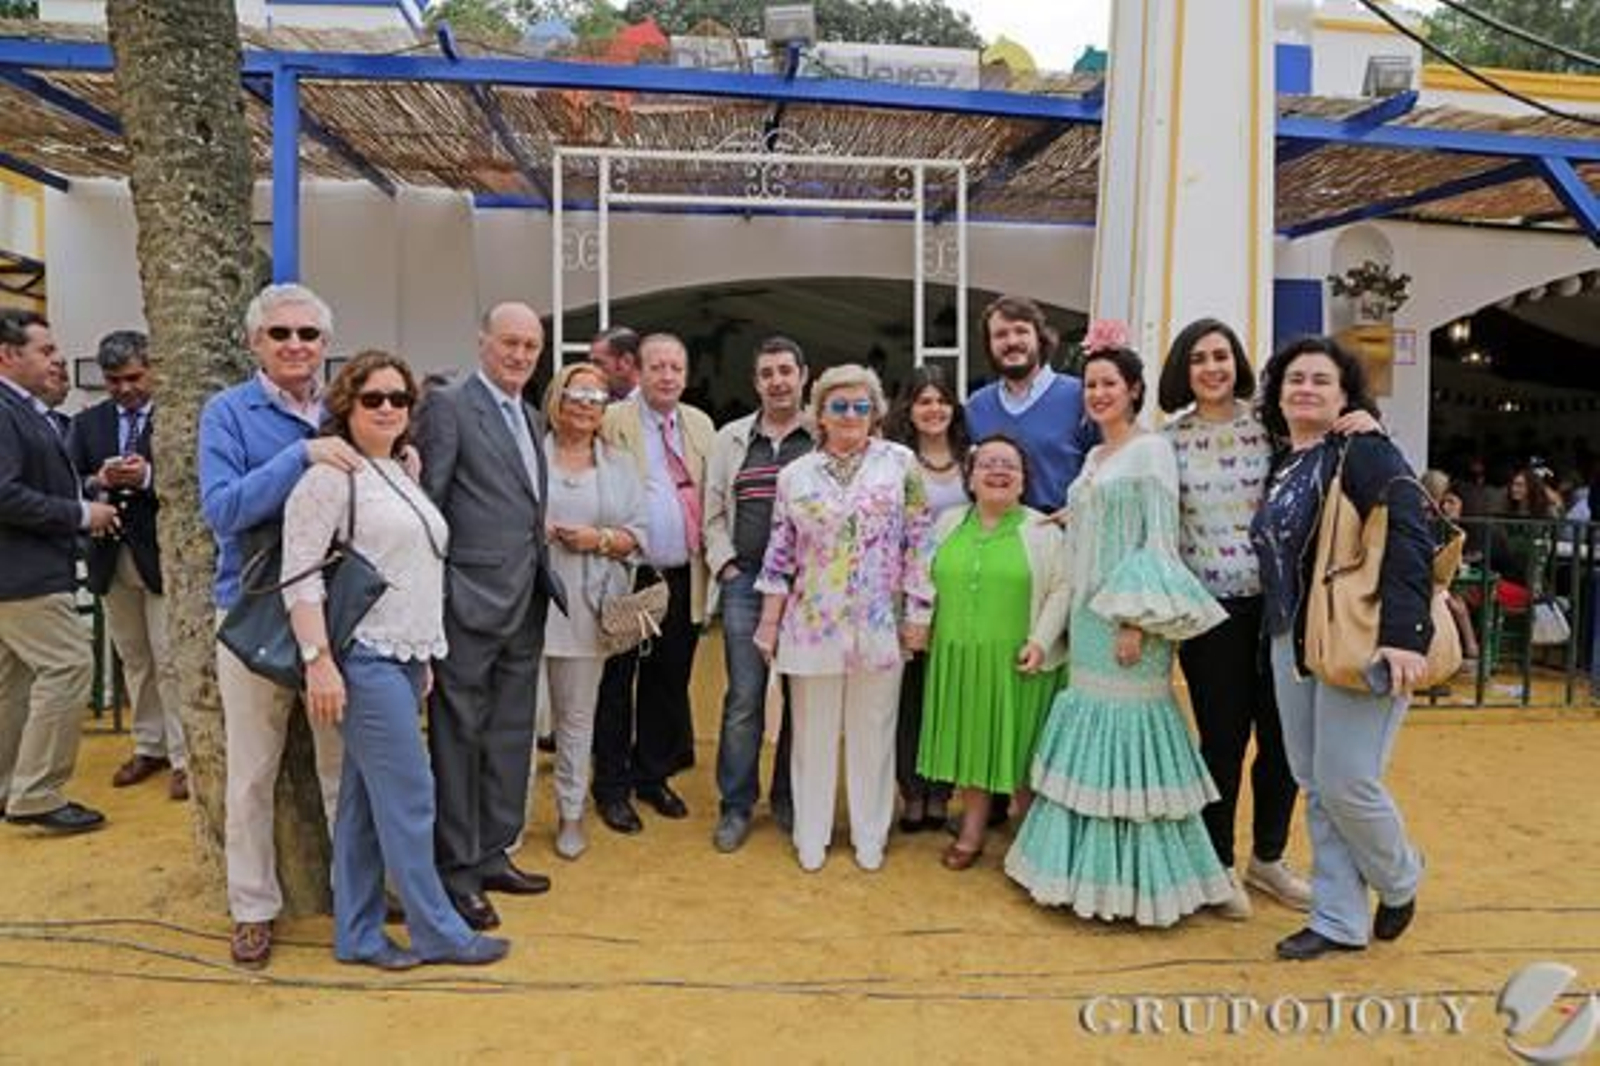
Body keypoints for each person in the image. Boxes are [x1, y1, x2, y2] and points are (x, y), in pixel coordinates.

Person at [283, 351, 508, 970]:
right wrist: (317, 660)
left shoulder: (400, 470)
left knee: (361, 804)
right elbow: (299, 576)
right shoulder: (330, 476)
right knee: (411, 798)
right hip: (363, 659)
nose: (387, 408)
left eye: (399, 399)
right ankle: (439, 931)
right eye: (373, 398)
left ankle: (357, 933)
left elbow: (416, 569)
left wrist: (426, 652)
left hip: (408, 658)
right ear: (346, 406)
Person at [1005, 341, 1231, 928]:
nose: (1098, 393)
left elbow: (1157, 540)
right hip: (1086, 615)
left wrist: (1136, 621)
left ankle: (1142, 885)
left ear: (1133, 389)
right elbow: (1097, 520)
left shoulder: (1152, 451)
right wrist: (1067, 517)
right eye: (1090, 385)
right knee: (1090, 732)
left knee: (1131, 736)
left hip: (1130, 616)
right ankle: (1081, 873)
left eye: (1109, 383)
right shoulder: (1095, 457)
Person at [1250, 335, 1431, 961]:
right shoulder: (1286, 462)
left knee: (1347, 779)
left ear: (1345, 395)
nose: (1304, 388)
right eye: (1293, 378)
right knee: (1316, 785)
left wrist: (1405, 635)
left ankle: (1400, 877)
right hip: (1290, 640)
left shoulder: (1363, 450)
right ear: (1277, 394)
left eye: (1320, 380)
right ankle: (1339, 919)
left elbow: (1411, 526)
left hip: (1362, 638)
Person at [199, 283, 352, 967]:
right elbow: (223, 510)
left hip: (334, 610)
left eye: (308, 335)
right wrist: (300, 458)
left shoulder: (345, 409)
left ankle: (357, 891)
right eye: (281, 334)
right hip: (255, 610)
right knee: (253, 771)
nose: (296, 346)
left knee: (340, 764)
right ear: (255, 342)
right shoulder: (228, 413)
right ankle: (252, 907)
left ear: (326, 343)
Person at [414, 302, 565, 934]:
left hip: (523, 604)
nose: (521, 355)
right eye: (509, 342)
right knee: (457, 741)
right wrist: (437, 602)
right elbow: (430, 509)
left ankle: (492, 851)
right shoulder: (449, 407)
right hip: (466, 606)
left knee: (508, 738)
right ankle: (456, 872)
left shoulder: (530, 416)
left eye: (531, 345)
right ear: (482, 342)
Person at [1155, 317, 1313, 920]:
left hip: (1279, 608)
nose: (1212, 368)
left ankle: (1268, 858)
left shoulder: (1269, 428)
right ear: (1183, 371)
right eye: (1199, 359)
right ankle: (1216, 864)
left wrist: (1363, 420)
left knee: (1282, 740)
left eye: (1221, 356)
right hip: (1210, 615)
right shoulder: (1169, 443)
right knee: (1222, 741)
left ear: (1237, 363)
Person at [754, 364, 934, 873]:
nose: (851, 415)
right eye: (839, 406)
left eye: (861, 406)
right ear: (820, 415)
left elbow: (920, 541)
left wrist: (920, 610)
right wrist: (768, 623)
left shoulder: (901, 463)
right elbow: (779, 553)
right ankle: (811, 836)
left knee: (874, 730)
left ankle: (869, 834)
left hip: (881, 624)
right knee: (811, 732)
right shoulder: (795, 475)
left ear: (875, 413)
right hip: (812, 625)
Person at [919, 434, 1066, 869]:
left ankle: (1031, 836)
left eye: (1009, 466)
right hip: (959, 658)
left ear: (1023, 480)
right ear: (970, 476)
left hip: (1021, 660)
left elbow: (1063, 588)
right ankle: (972, 831)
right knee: (974, 747)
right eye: (987, 464)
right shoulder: (947, 522)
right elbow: (921, 577)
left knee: (1022, 748)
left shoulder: (1041, 529)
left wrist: (1040, 641)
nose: (998, 471)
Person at [1, 309, 116, 834]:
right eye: (45, 351)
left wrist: (88, 488)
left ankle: (8, 786)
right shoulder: (5, 410)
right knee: (69, 666)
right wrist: (79, 514)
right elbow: (4, 494)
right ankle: (37, 792)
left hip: (21, 571)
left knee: (15, 681)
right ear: (8, 355)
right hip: (23, 574)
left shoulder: (24, 411)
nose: (56, 360)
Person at [594, 333, 714, 834]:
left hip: (682, 574)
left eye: (676, 368)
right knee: (620, 681)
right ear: (637, 372)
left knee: (669, 683)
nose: (667, 376)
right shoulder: (612, 421)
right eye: (657, 367)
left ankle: (652, 775)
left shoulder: (699, 424)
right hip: (634, 577)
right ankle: (613, 786)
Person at [67, 330, 188, 801]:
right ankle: (149, 745)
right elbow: (69, 480)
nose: (124, 388)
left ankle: (183, 757)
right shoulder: (89, 423)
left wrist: (149, 477)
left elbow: (193, 480)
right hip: (109, 557)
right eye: (114, 380)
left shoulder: (177, 417)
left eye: (133, 377)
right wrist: (99, 480)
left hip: (160, 557)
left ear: (153, 368)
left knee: (169, 658)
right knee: (134, 658)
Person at [703, 336, 812, 853]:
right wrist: (724, 567)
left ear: (804, 375)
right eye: (767, 373)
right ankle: (736, 804)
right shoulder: (730, 439)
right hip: (745, 584)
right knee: (745, 698)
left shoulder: (823, 436)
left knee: (799, 698)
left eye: (785, 371)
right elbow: (713, 512)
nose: (777, 381)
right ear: (756, 382)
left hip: (810, 591)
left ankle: (789, 798)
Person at [539, 362, 647, 860]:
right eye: (577, 393)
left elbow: (637, 536)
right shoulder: (527, 456)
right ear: (556, 399)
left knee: (577, 719)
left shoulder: (620, 465)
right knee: (518, 721)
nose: (586, 404)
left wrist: (597, 539)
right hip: (528, 605)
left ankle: (570, 814)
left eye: (597, 397)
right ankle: (505, 822)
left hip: (588, 607)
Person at [883, 366, 969, 832]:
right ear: (909, 410)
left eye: (941, 400)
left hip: (960, 594)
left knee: (949, 692)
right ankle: (911, 792)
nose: (933, 409)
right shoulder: (895, 461)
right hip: (905, 593)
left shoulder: (972, 459)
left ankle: (942, 792)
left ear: (953, 407)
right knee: (909, 696)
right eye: (923, 401)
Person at [964, 295, 1097, 513]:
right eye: (1000, 334)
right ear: (989, 345)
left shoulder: (1080, 396)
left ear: (1040, 338)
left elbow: (1107, 465)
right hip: (998, 537)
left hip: (1066, 536)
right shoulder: (976, 407)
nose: (1012, 341)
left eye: (1021, 331)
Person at [590, 326, 641, 402]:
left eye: (598, 363)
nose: (591, 370)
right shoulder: (597, 401)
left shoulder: (657, 404)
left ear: (626, 362)